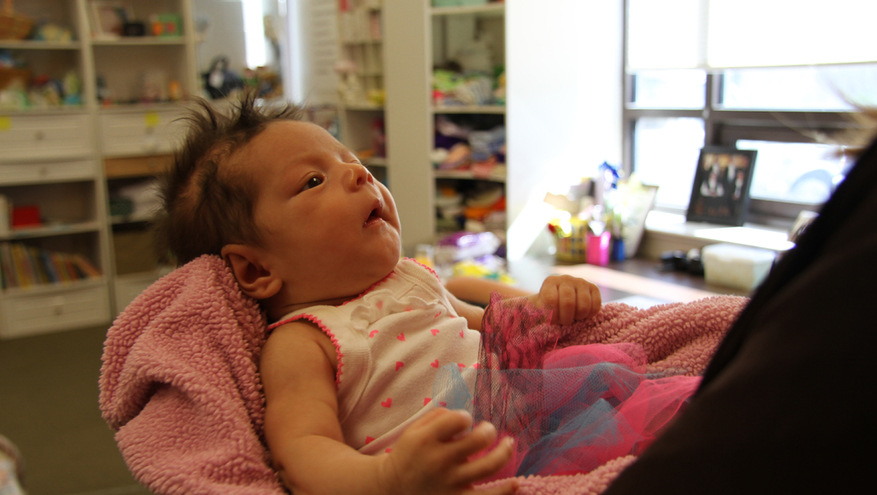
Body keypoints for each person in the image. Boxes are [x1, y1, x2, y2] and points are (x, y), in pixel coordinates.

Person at [155, 93, 605, 495]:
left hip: (528, 416)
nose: (357, 173)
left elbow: (490, 322)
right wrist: (388, 480)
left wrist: (546, 301)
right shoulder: (303, 341)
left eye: (351, 160)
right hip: (434, 476)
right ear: (257, 268)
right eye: (313, 180)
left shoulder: (411, 278)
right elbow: (303, 450)